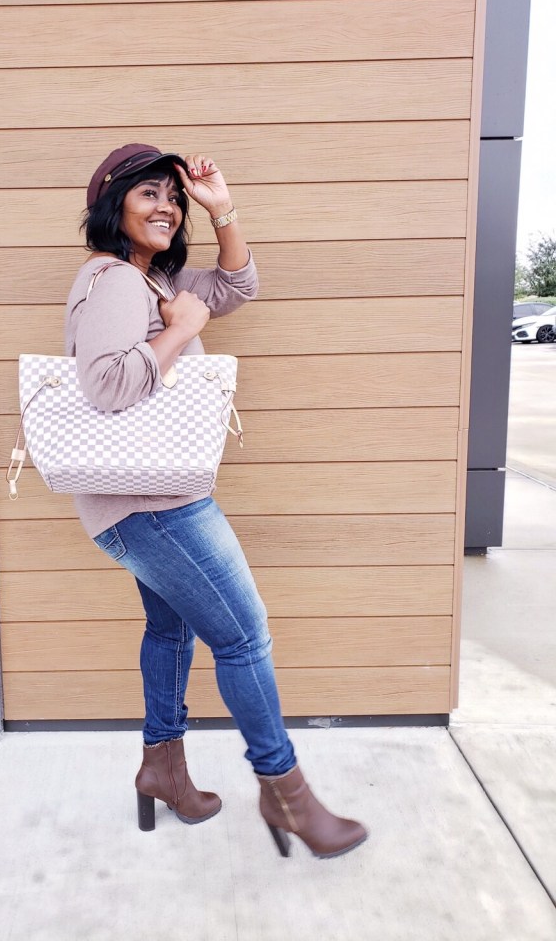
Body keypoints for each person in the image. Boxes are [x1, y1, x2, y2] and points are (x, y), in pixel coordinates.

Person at [64, 143, 367, 859]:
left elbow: (237, 285)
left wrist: (221, 207)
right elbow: (106, 385)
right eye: (148, 193)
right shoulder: (114, 280)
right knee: (243, 636)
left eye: (172, 196)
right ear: (112, 205)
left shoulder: (155, 278)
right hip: (155, 505)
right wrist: (182, 329)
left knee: (171, 631)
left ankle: (163, 769)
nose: (167, 206)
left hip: (142, 499)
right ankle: (284, 792)